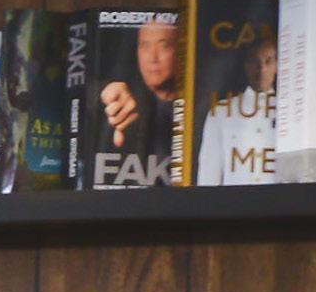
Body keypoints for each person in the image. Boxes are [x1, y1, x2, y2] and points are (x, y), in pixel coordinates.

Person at [96, 19, 179, 178]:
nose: (152, 58)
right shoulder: (125, 103)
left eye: (164, 46)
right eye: (145, 46)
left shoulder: (202, 108)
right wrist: (105, 94)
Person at [196, 32, 278, 187]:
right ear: (247, 65)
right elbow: (208, 173)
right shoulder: (221, 112)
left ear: (277, 65)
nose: (261, 69)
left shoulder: (288, 112)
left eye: (268, 61)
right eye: (255, 61)